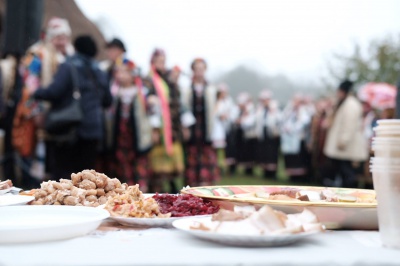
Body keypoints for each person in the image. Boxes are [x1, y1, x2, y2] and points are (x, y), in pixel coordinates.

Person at [32, 35, 112, 180]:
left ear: (75, 48)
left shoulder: (69, 66)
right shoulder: (100, 71)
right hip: (94, 131)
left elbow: (54, 92)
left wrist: (35, 92)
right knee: (87, 179)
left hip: (71, 130)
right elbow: (107, 101)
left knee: (65, 176)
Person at [12, 17, 74, 188]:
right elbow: (30, 83)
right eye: (58, 38)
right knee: (38, 157)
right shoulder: (38, 53)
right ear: (50, 37)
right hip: (41, 112)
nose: (62, 42)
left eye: (64, 37)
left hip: (62, 115)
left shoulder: (70, 54)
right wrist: (37, 111)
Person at [147, 49, 189, 193]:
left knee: (173, 166)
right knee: (157, 168)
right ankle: (156, 191)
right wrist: (154, 128)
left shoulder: (169, 81)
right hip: (158, 128)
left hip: (172, 127)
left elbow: (178, 103)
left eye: (163, 61)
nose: (161, 64)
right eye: (159, 61)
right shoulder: (149, 80)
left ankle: (172, 189)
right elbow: (149, 106)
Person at [109, 58, 152, 191]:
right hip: (121, 133)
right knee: (122, 162)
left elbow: (152, 112)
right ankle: (124, 190)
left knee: (138, 162)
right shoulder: (114, 92)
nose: (121, 75)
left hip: (137, 133)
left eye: (125, 72)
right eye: (119, 72)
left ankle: (140, 190)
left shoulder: (142, 92)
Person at [181, 58, 220, 186]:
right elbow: (184, 108)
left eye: (201, 69)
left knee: (206, 154)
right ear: (193, 70)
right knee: (192, 155)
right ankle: (192, 183)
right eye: (196, 69)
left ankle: (206, 182)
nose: (199, 72)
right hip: (192, 128)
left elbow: (214, 111)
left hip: (205, 127)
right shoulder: (186, 88)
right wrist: (185, 127)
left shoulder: (210, 89)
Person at [324, 80, 368, 188]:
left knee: (348, 174)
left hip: (347, 148)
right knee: (343, 174)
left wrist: (343, 141)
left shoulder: (351, 105)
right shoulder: (346, 103)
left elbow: (349, 126)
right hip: (344, 149)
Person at [280, 95, 310, 182]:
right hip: (289, 138)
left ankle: (299, 177)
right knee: (290, 158)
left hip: (298, 138)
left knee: (298, 159)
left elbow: (304, 121)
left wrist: (293, 128)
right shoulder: (289, 110)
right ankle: (291, 176)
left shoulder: (303, 110)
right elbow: (283, 119)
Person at [255, 90, 281, 179]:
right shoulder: (260, 108)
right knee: (264, 153)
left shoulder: (274, 107)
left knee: (272, 154)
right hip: (263, 133)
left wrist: (271, 111)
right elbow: (258, 120)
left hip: (272, 134)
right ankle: (265, 171)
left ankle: (272, 173)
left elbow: (279, 118)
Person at [234, 92, 257, 176]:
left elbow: (250, 121)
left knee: (250, 152)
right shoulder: (240, 110)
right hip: (242, 134)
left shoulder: (251, 109)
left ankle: (249, 170)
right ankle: (245, 168)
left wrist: (241, 121)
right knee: (244, 151)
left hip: (249, 134)